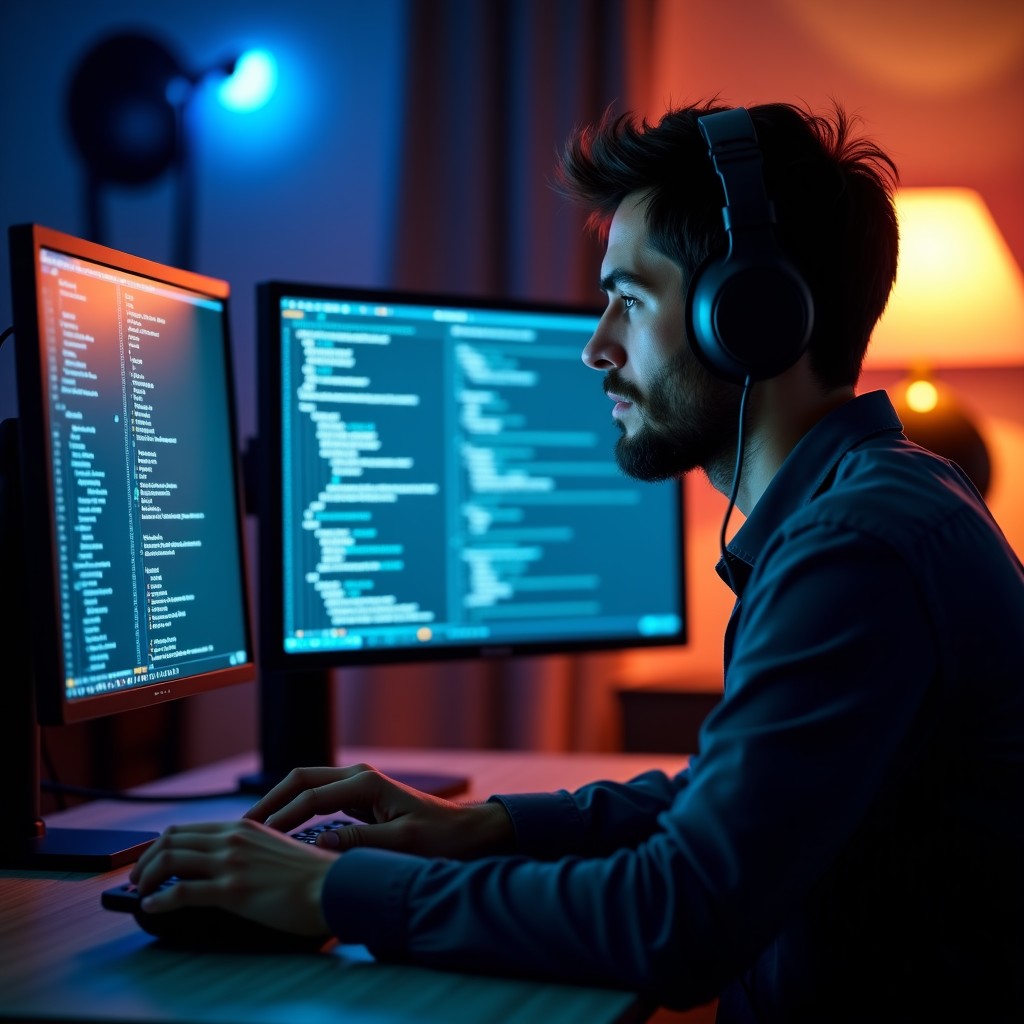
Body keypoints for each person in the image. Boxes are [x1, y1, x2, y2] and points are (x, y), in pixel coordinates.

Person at [130, 101, 1024, 1022]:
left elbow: (677, 915)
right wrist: (482, 825)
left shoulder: (856, 551)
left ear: (751, 317)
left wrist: (328, 891)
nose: (597, 347)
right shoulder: (881, 502)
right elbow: (736, 803)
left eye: (629, 300)